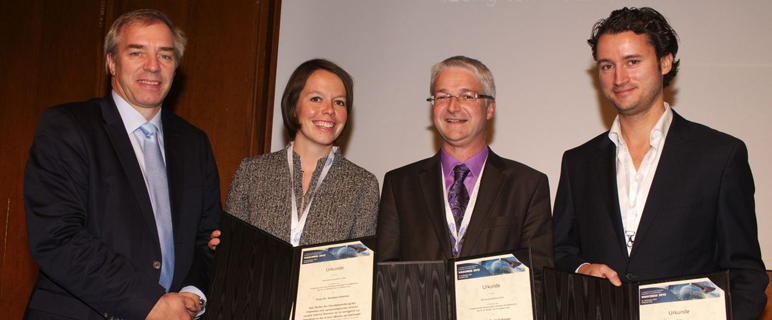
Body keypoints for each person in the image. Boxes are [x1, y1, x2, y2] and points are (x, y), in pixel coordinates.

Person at [552, 7, 767, 319]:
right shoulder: (578, 163)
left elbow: (746, 275)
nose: (619, 78)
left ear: (665, 62)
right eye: (607, 66)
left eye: (633, 62)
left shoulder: (720, 156)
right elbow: (560, 253)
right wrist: (581, 268)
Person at [23, 9, 221, 320]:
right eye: (137, 52)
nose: (152, 66)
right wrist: (148, 302)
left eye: (165, 56)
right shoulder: (67, 127)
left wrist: (193, 293)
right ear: (111, 61)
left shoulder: (195, 143)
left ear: (176, 67)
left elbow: (208, 239)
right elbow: (57, 236)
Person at [376, 56, 553, 308]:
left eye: (467, 96)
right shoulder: (399, 185)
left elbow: (538, 280)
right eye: (442, 96)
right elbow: (385, 277)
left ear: (489, 108)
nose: (452, 106)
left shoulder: (527, 186)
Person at [215, 59, 379, 247]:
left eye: (339, 102)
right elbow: (234, 252)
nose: (329, 110)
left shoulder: (362, 185)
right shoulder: (251, 172)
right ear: (294, 107)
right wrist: (223, 249)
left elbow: (359, 268)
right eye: (316, 99)